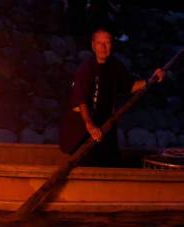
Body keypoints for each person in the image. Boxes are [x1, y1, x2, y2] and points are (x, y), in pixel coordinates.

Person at [59, 27, 164, 166]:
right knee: (87, 162)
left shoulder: (115, 66)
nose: (103, 47)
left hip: (105, 124)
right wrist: (90, 126)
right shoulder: (86, 69)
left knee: (110, 161)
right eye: (99, 43)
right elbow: (81, 101)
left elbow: (130, 86)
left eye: (107, 43)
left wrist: (152, 80)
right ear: (93, 46)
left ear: (112, 45)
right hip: (82, 128)